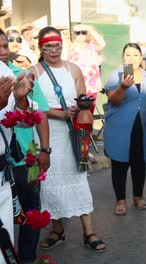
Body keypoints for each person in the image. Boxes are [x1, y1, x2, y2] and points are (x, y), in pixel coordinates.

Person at [29, 26, 106, 252]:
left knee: (78, 180)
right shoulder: (33, 71)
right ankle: (57, 229)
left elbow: (84, 99)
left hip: (71, 133)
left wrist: (81, 109)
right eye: (48, 46)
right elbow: (33, 107)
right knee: (50, 183)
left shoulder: (73, 69)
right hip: (46, 133)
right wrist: (58, 113)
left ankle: (89, 232)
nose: (54, 50)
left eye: (57, 46)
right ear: (40, 48)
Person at [0, 28, 51, 262]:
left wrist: (44, 149)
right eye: (0, 46)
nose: (3, 51)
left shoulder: (22, 74)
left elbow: (37, 113)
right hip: (4, 162)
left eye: (4, 45)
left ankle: (26, 258)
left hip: (23, 155)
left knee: (30, 208)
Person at [104, 43, 146, 215]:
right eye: (128, 55)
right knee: (119, 163)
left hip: (142, 125)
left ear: (141, 58)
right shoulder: (116, 74)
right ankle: (120, 201)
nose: (131, 58)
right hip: (120, 127)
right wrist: (123, 87)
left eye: (135, 55)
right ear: (123, 57)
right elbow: (114, 100)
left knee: (139, 162)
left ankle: (138, 197)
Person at [0, 59, 34, 264]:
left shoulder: (3, 70)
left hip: (2, 177)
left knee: (5, 250)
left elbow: (19, 122)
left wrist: (21, 100)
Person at [68, 24, 106, 113]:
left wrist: (89, 28)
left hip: (91, 87)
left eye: (83, 32)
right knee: (75, 113)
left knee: (88, 114)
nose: (81, 35)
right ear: (73, 34)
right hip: (74, 87)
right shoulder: (70, 48)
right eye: (78, 33)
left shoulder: (92, 47)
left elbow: (102, 43)